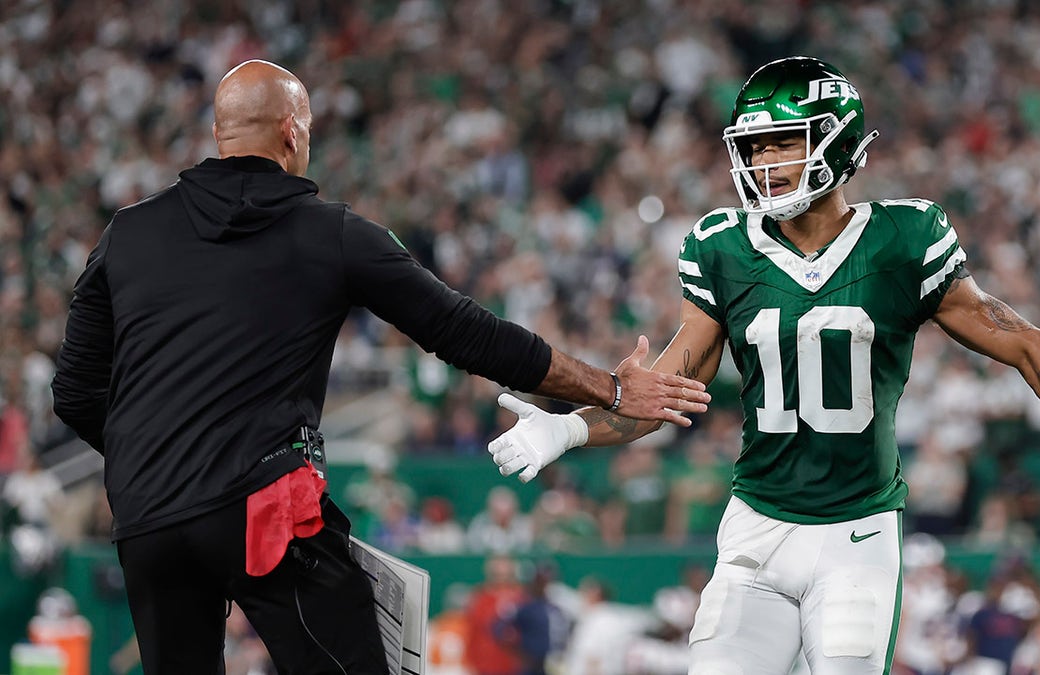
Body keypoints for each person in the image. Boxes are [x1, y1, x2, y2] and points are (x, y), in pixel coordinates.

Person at [486, 56, 1040, 674]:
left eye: (786, 140)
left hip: (857, 537)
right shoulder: (723, 248)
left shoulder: (905, 238)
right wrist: (565, 429)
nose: (767, 160)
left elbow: (1027, 343)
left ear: (837, 141)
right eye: (755, 145)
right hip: (757, 528)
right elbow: (659, 396)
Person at [49, 59, 710, 675]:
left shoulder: (127, 232)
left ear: (218, 133)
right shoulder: (328, 231)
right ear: (293, 132)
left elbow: (75, 391)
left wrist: (165, 457)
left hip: (148, 515)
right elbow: (465, 332)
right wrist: (612, 386)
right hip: (263, 509)